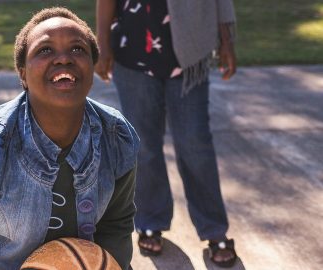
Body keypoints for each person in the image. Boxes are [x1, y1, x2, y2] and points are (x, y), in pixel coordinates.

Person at [0, 7, 140, 270]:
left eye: (77, 49)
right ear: (22, 73)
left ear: (92, 64)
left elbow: (116, 224)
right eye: (45, 50)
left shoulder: (117, 137)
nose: (63, 58)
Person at [95, 0, 238, 268]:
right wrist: (102, 41)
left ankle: (214, 230)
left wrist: (226, 40)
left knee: (195, 143)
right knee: (144, 146)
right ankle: (150, 221)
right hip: (132, 47)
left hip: (188, 54)